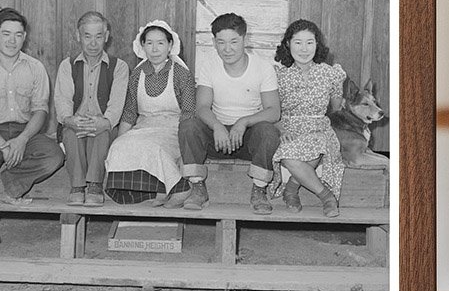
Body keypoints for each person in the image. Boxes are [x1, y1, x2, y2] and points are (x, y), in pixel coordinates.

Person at [0, 8, 65, 267]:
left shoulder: (35, 67)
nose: (12, 40)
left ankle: (9, 185)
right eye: (6, 33)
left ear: (25, 37)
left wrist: (20, 141)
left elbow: (41, 110)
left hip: (25, 132)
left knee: (54, 155)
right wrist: (3, 145)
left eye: (18, 35)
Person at [178, 12, 281, 213]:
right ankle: (198, 187)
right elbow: (202, 107)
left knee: (268, 131)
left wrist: (243, 122)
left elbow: (274, 111)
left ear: (244, 39)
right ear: (214, 42)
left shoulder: (263, 67)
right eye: (221, 42)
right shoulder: (209, 65)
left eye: (233, 41)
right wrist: (217, 126)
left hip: (247, 139)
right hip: (218, 138)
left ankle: (259, 190)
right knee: (188, 125)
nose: (227, 49)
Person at [103, 20, 196, 206]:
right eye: (149, 43)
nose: (155, 49)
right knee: (119, 147)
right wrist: (119, 139)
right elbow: (129, 112)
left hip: (172, 128)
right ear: (143, 46)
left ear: (170, 45)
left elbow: (188, 113)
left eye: (160, 43)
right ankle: (153, 191)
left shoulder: (181, 74)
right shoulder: (137, 74)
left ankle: (179, 187)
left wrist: (184, 146)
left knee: (153, 148)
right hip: (143, 127)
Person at [270, 18, 346, 218]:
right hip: (288, 128)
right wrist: (280, 128)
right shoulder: (278, 74)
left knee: (314, 153)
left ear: (317, 45)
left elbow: (337, 107)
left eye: (309, 42)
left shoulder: (331, 73)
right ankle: (327, 196)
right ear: (288, 44)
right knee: (288, 156)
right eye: (298, 42)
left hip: (318, 127)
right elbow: (270, 109)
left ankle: (291, 189)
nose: (304, 49)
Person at [53, 11, 129, 206]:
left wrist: (104, 122)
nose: (93, 43)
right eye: (87, 36)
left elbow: (116, 105)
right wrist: (69, 120)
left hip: (104, 124)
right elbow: (63, 101)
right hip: (75, 122)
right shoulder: (68, 65)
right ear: (79, 36)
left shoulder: (118, 67)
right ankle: (77, 186)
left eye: (98, 36)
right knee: (69, 132)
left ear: (106, 37)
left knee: (102, 132)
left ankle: (95, 184)